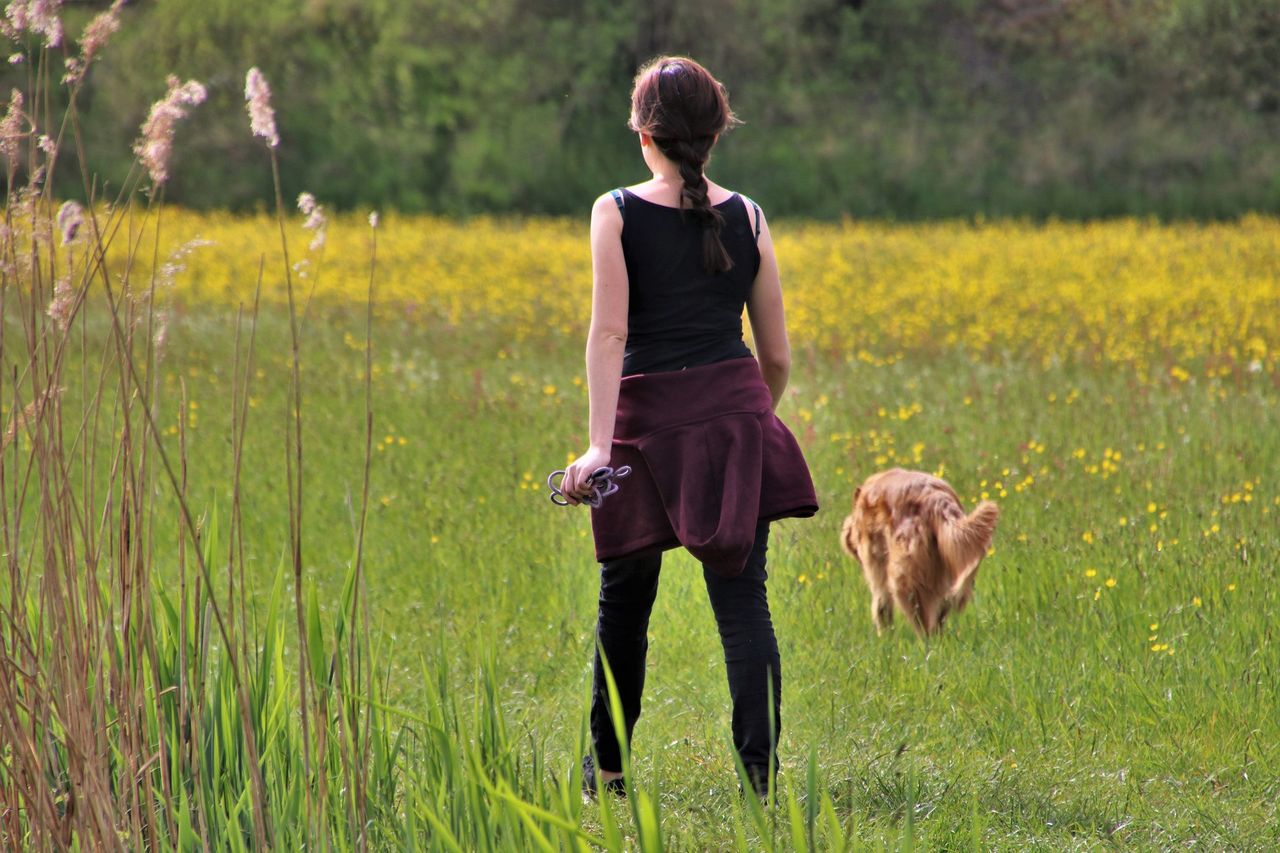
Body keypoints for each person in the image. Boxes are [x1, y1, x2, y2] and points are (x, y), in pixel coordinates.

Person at [557, 56, 818, 800]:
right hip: (735, 416)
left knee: (624, 603)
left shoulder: (615, 210)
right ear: (714, 133)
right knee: (744, 601)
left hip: (643, 428)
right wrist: (746, 417)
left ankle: (606, 776)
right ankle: (759, 786)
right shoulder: (751, 215)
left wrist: (602, 446)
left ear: (643, 132)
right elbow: (776, 355)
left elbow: (610, 336)